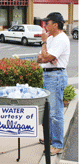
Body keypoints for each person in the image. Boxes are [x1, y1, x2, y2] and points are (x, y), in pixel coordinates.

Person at [37, 12, 70, 156]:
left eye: (47, 22)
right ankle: (50, 137)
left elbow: (46, 56)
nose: (45, 25)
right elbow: (39, 58)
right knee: (49, 110)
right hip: (49, 74)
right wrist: (46, 57)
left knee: (56, 112)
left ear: (55, 25)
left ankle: (57, 144)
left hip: (56, 75)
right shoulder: (51, 38)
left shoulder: (60, 39)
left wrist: (44, 45)